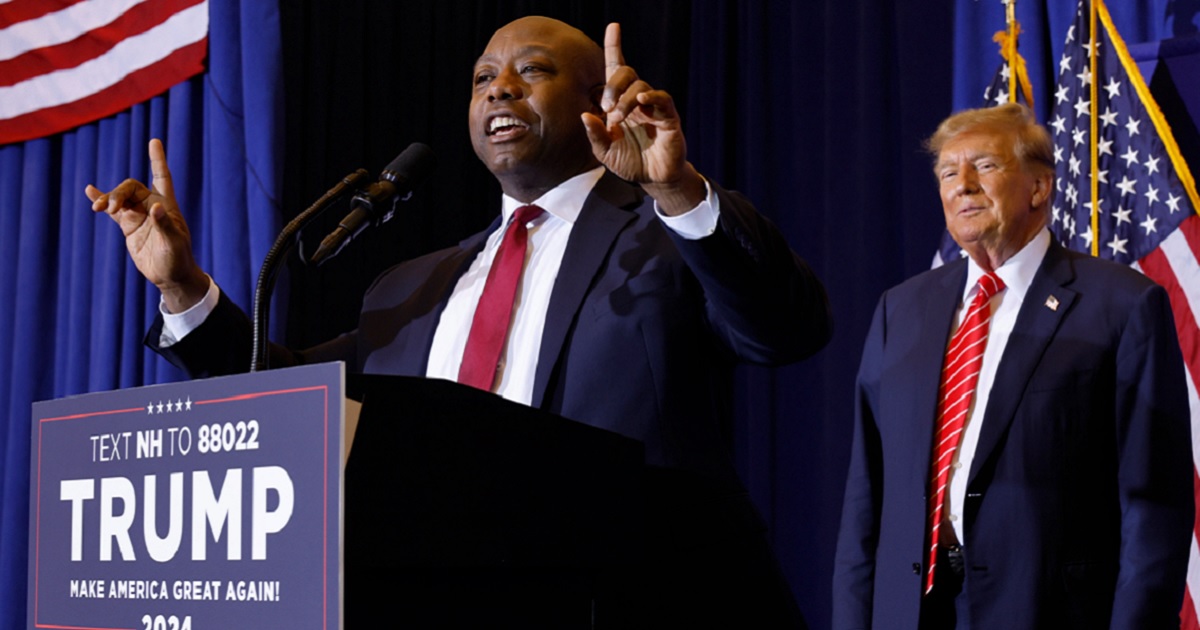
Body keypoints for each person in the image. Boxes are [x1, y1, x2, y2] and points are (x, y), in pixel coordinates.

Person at [89, 16, 831, 628]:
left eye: (532, 71)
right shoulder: (409, 288)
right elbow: (292, 409)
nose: (499, 87)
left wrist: (677, 189)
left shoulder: (669, 234)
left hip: (641, 603)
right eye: (481, 79)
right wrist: (185, 289)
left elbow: (783, 329)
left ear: (594, 103)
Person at [832, 102, 1193, 629]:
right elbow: (867, 495)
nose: (963, 185)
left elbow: (1155, 503)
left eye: (984, 165)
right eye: (948, 172)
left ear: (1039, 188)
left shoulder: (1121, 305)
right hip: (911, 611)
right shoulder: (900, 310)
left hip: (1047, 609)